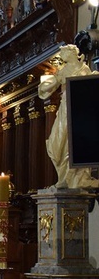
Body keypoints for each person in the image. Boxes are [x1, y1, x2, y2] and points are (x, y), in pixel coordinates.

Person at [37, 44, 99, 189]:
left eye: (63, 52)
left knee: (77, 140)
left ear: (71, 53)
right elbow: (47, 87)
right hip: (66, 107)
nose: (61, 55)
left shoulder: (85, 69)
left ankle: (78, 177)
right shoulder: (63, 71)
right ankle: (64, 177)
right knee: (58, 141)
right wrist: (43, 86)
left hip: (80, 110)